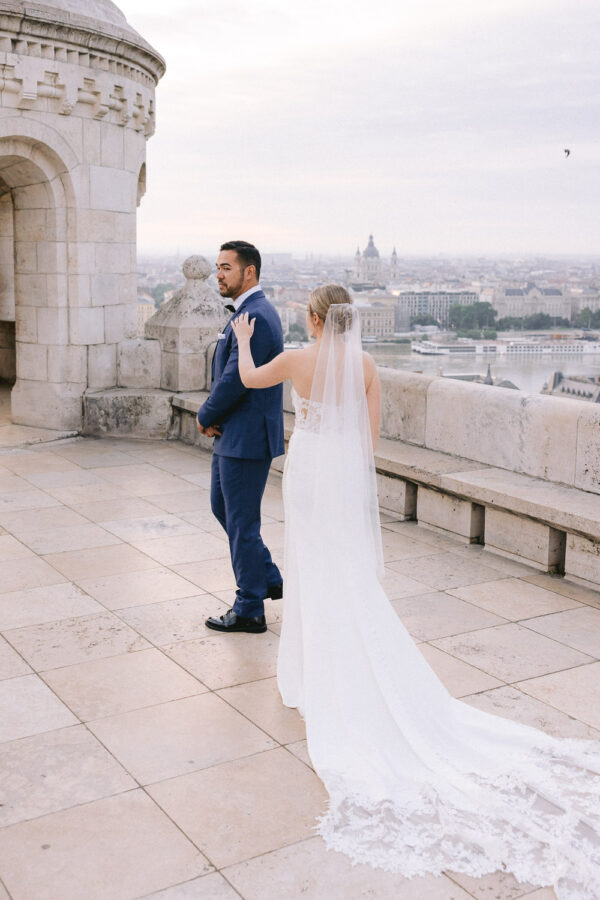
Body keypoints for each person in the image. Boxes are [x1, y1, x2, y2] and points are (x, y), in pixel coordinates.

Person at [230, 284, 600, 900]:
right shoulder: (367, 365)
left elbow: (249, 377)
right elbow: (369, 439)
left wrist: (244, 339)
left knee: (311, 566)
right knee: (341, 572)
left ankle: (311, 674)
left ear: (318, 319)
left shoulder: (297, 358)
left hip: (308, 466)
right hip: (341, 471)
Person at [197, 240, 284, 634]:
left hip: (247, 438)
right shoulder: (248, 312)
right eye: (218, 267)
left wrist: (205, 414)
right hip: (234, 433)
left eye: (226, 267)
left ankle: (250, 607)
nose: (219, 274)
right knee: (224, 509)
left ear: (249, 272)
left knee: (242, 522)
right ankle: (266, 575)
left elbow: (236, 380)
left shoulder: (258, 317)